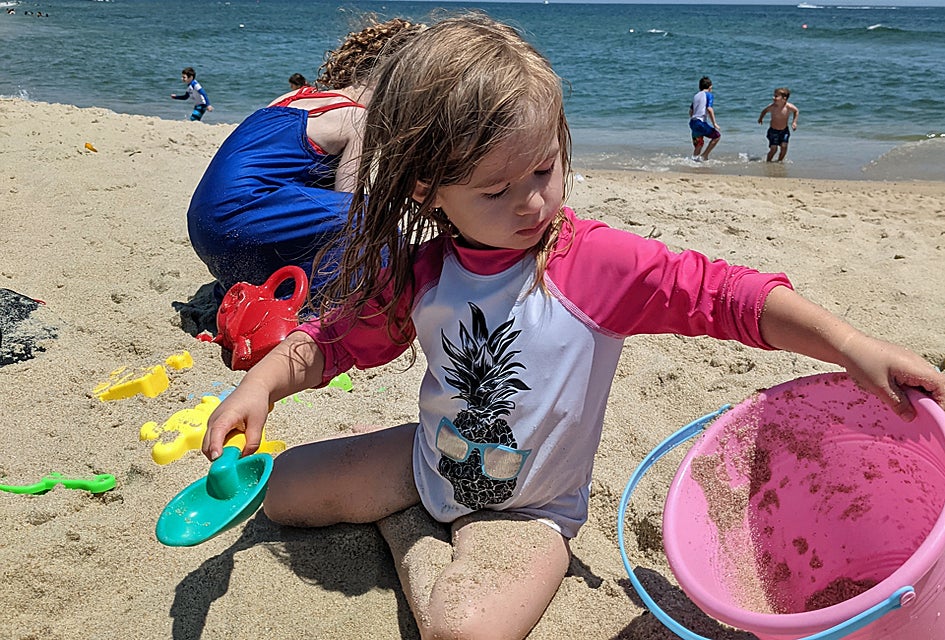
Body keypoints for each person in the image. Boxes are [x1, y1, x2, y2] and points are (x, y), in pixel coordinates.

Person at [202, 14, 945, 639]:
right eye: (496, 189)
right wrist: (264, 383)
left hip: (529, 505)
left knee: (464, 629)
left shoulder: (593, 265)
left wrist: (849, 345)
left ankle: (410, 540)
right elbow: (334, 340)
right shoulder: (420, 271)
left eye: (545, 169)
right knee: (283, 492)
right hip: (429, 456)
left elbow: (730, 298)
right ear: (428, 192)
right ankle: (416, 516)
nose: (531, 203)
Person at [186, 17, 424, 305]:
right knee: (372, 220)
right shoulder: (358, 118)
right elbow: (349, 206)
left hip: (203, 227)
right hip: (242, 219)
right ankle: (326, 310)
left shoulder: (293, 97)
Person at [758, 87, 800, 162]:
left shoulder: (788, 106)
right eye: (774, 95)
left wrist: (794, 122)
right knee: (774, 149)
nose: (773, 97)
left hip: (784, 131)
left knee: (784, 147)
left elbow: (796, 111)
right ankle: (768, 162)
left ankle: (779, 161)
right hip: (773, 131)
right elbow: (764, 111)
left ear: (784, 98)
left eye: (776, 96)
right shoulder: (772, 107)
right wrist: (761, 118)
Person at [689, 75, 721, 161]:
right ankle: (704, 156)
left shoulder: (696, 96)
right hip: (700, 123)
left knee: (699, 144)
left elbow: (690, 111)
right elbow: (709, 109)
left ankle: (694, 160)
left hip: (692, 122)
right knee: (717, 136)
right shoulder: (709, 95)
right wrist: (714, 124)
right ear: (710, 87)